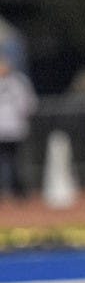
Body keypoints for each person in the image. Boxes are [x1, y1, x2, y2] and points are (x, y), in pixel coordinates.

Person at [0, 55, 37, 201]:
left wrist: (21, 119)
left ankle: (18, 191)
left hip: (15, 129)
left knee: (16, 162)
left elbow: (28, 104)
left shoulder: (19, 82)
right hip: (5, 128)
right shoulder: (19, 82)